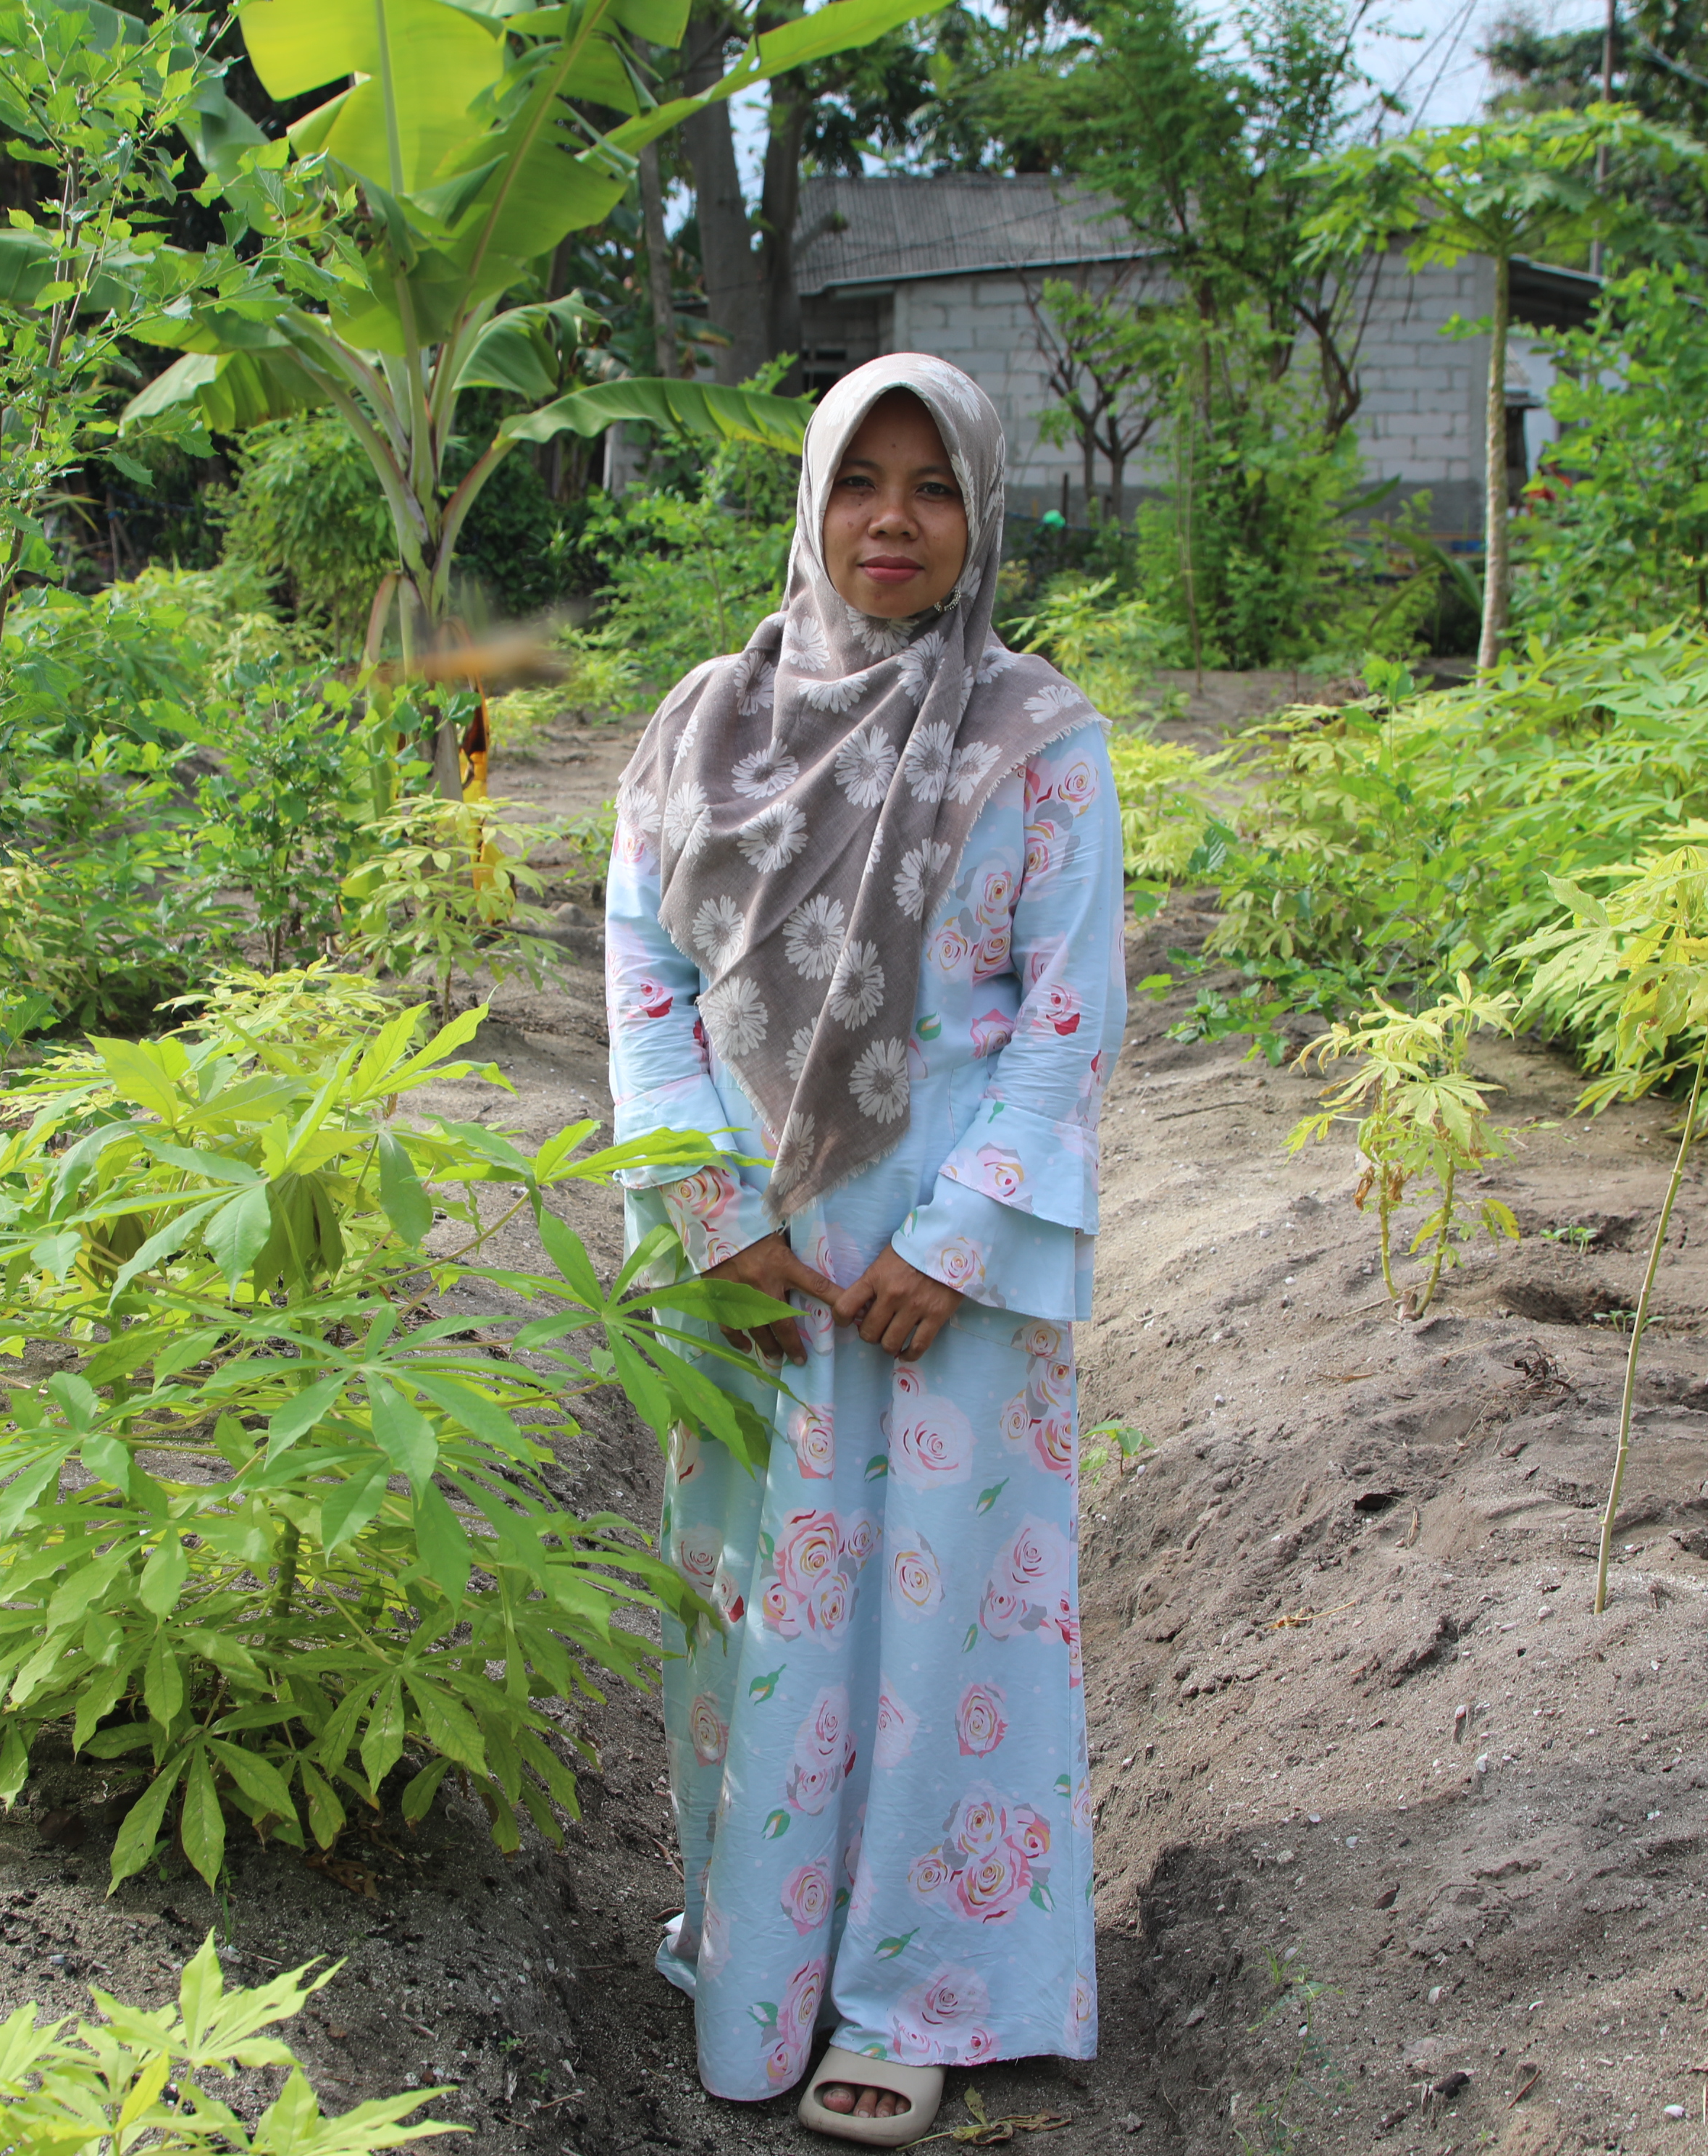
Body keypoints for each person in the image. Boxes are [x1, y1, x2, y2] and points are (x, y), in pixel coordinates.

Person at [603, 353, 1127, 2147]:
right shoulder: (698, 728)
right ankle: (760, 1958)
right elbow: (644, 985)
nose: (891, 522)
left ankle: (922, 1988)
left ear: (982, 518)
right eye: (859, 483)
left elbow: (1071, 1014)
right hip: (753, 1278)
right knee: (756, 1609)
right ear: (811, 503)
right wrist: (714, 1221)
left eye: (933, 487)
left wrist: (961, 1238)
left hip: (943, 1282)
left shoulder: (1039, 738)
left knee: (944, 1632)